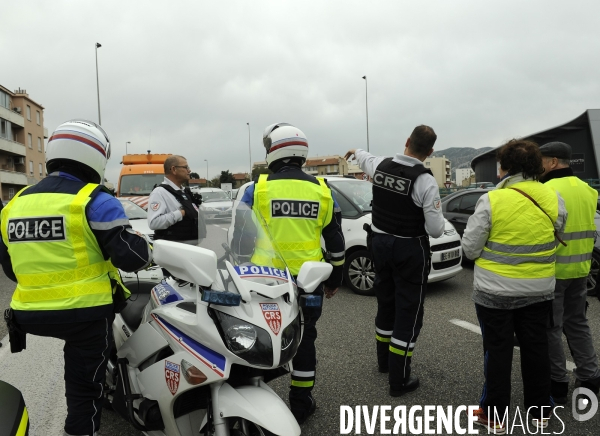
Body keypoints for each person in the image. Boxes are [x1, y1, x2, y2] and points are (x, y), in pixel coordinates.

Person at [0, 119, 153, 436]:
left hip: (27, 315)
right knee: (85, 390)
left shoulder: (14, 205)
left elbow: (10, 268)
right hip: (83, 315)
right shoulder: (95, 200)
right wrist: (149, 248)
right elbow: (131, 257)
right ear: (97, 157)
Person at [232, 122, 345, 424]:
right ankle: (301, 403)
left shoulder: (257, 189)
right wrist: (335, 279)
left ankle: (250, 403)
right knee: (305, 341)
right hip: (309, 283)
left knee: (258, 338)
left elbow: (240, 241)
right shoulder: (323, 190)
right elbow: (336, 243)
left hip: (263, 281)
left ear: (272, 153)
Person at [462, 139, 567, 433]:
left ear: (505, 168)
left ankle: (493, 415)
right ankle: (540, 413)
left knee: (497, 351)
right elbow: (554, 238)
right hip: (539, 291)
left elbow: (470, 249)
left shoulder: (492, 200)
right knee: (536, 350)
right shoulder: (553, 198)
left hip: (494, 293)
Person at [345, 125, 445, 397]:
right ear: (430, 151)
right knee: (408, 312)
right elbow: (436, 230)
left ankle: (384, 363)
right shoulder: (425, 181)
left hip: (379, 247)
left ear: (407, 141)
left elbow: (364, 156)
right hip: (409, 250)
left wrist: (355, 150)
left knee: (386, 303)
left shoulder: (381, 166)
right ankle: (398, 381)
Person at [539, 141, 600, 403]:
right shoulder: (589, 191)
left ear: (553, 162)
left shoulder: (547, 190)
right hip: (582, 270)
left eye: (542, 161)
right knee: (577, 323)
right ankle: (590, 376)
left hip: (554, 272)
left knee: (552, 328)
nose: (539, 166)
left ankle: (557, 383)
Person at [147, 155, 206, 244]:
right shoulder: (160, 192)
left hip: (191, 247)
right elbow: (154, 223)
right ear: (174, 169)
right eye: (186, 167)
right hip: (174, 249)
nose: (189, 171)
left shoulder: (184, 192)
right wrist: (181, 213)